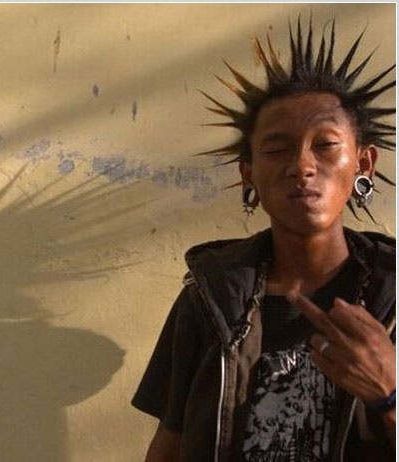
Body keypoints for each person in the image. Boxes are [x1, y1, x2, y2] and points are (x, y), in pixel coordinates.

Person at [132, 18, 396, 462]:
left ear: (363, 163)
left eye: (325, 145)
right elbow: (169, 447)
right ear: (248, 173)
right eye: (276, 150)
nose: (302, 166)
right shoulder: (210, 297)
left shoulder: (392, 295)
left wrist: (389, 394)